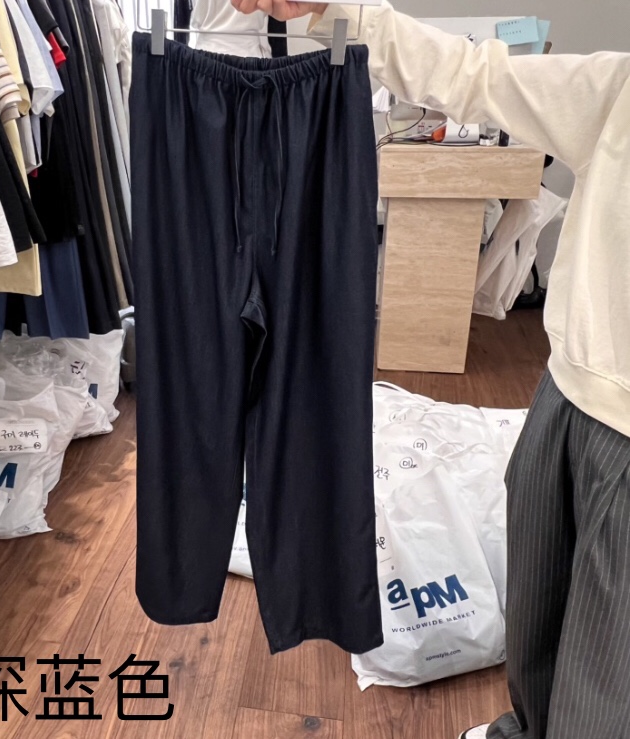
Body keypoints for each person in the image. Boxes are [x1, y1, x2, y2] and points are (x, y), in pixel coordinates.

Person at [228, 1, 630, 738]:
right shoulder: (620, 90)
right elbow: (474, 73)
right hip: (568, 388)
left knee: (608, 673)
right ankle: (526, 728)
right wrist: (333, 8)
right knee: (538, 604)